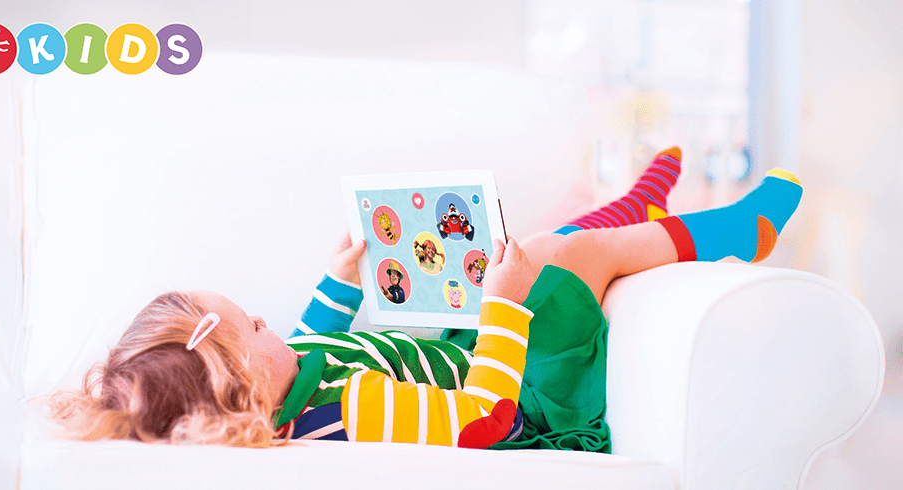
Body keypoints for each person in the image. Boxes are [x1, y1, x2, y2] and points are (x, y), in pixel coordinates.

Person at [49, 147, 803, 451]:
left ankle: (640, 205)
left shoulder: (287, 388)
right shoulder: (350, 412)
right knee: (561, 256)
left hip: (474, 355)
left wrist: (341, 282)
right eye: (252, 323)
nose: (264, 316)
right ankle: (740, 232)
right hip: (525, 398)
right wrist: (503, 308)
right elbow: (483, 419)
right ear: (248, 384)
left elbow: (308, 343)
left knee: (524, 245)